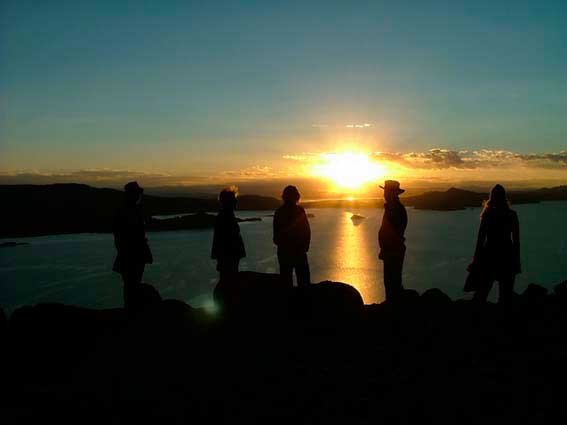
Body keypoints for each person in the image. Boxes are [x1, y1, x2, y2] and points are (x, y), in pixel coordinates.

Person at [469, 184, 521, 304]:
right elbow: (516, 241)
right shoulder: (512, 215)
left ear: (491, 197)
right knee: (505, 296)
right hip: (507, 256)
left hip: (489, 256)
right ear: (504, 197)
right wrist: (517, 261)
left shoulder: (487, 215)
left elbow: (480, 241)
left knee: (481, 294)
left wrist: (476, 261)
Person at [112, 181, 153, 310]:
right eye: (137, 193)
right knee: (131, 284)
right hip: (131, 255)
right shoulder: (126, 211)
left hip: (134, 254)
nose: (139, 196)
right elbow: (121, 236)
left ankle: (131, 309)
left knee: (132, 284)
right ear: (131, 194)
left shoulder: (132, 209)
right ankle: (131, 311)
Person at [273, 185, 311, 286]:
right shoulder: (300, 211)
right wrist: (304, 247)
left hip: (285, 253)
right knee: (304, 282)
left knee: (286, 282)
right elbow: (307, 232)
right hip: (299, 253)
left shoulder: (279, 212)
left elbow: (276, 238)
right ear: (297, 197)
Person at [378, 180, 407, 302]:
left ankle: (393, 311)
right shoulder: (393, 208)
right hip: (392, 251)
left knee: (392, 283)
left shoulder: (394, 209)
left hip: (392, 252)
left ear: (393, 193)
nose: (384, 194)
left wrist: (387, 248)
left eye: (387, 191)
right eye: (385, 191)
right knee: (392, 283)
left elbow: (393, 234)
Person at [211, 187, 246, 281]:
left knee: (229, 280)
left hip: (229, 257)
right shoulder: (225, 217)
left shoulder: (227, 215)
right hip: (229, 257)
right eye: (234, 199)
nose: (236, 201)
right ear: (228, 201)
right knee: (229, 281)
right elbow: (221, 240)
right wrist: (221, 259)